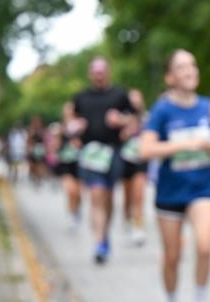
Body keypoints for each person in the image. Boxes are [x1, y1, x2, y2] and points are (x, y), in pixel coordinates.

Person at [140, 50, 210, 302]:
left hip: (202, 189)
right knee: (172, 257)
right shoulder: (162, 110)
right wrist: (188, 143)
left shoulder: (209, 106)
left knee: (204, 247)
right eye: (181, 67)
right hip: (169, 192)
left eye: (192, 64)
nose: (190, 70)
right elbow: (146, 150)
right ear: (170, 76)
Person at [71, 57, 134, 264]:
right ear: (90, 74)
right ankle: (99, 242)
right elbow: (70, 122)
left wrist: (122, 121)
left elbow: (135, 121)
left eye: (102, 71)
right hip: (91, 153)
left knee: (107, 197)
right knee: (96, 195)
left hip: (113, 151)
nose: (98, 75)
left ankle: (104, 235)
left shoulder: (120, 94)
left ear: (108, 72)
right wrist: (75, 128)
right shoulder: (81, 97)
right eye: (95, 71)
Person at [121, 88, 150, 247]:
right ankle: (127, 217)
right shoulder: (123, 118)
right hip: (126, 160)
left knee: (139, 195)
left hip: (141, 160)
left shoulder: (146, 118)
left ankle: (138, 227)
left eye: (138, 98)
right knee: (128, 195)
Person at [54, 102, 83, 229]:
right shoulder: (60, 128)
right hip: (65, 162)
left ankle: (76, 210)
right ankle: (72, 214)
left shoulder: (81, 125)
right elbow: (55, 145)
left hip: (79, 161)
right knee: (70, 190)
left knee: (78, 192)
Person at [27, 115, 48, 188]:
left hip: (40, 149)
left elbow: (45, 140)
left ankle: (39, 178)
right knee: (33, 165)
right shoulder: (31, 130)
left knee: (40, 164)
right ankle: (34, 176)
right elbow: (29, 140)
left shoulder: (42, 130)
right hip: (33, 149)